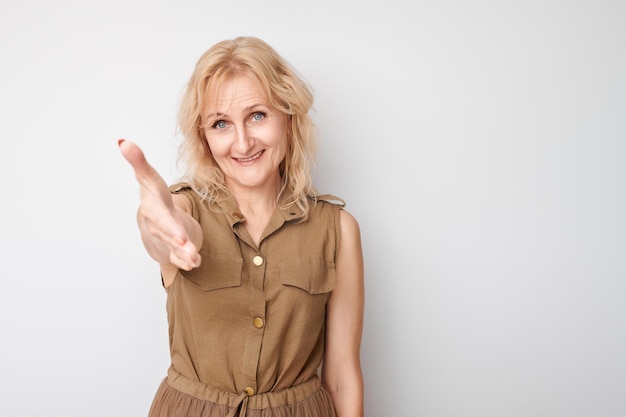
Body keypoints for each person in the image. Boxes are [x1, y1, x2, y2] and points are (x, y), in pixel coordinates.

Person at [118, 36, 364, 417]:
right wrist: (159, 222)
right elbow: (166, 231)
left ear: (288, 116)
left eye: (258, 115)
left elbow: (343, 377)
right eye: (221, 124)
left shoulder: (339, 230)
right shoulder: (185, 208)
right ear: (205, 137)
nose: (243, 141)